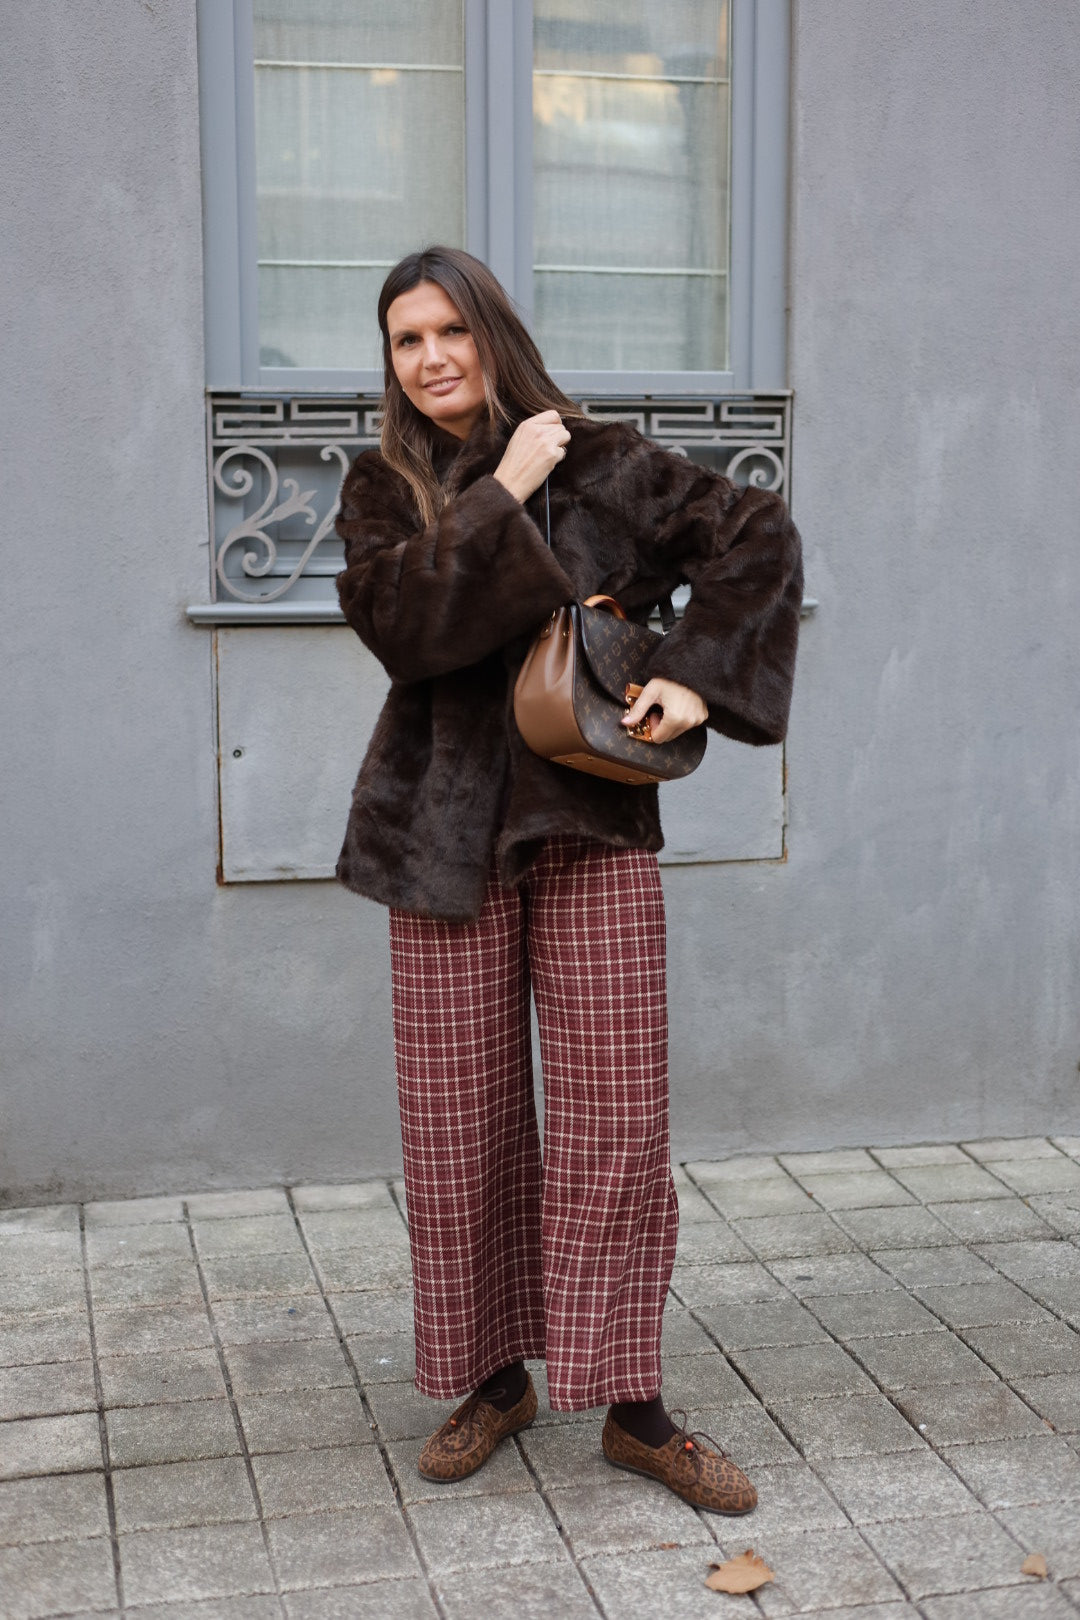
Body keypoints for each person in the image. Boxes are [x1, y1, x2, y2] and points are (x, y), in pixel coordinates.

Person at [334, 245, 802, 1514]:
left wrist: (693, 675)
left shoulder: (599, 456)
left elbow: (755, 531)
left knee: (616, 1117)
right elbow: (406, 631)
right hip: (437, 840)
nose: (431, 359)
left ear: (493, 333)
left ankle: (634, 1407)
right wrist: (502, 492)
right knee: (458, 1124)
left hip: (589, 820)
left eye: (451, 331)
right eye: (406, 340)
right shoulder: (384, 489)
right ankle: (494, 1380)